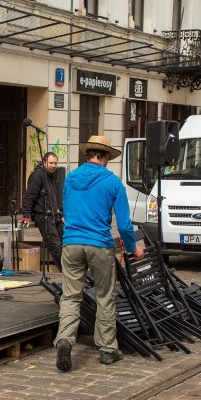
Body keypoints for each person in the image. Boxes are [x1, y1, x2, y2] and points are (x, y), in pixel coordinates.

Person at [54, 135, 144, 372]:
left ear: (87, 155)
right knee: (105, 296)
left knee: (71, 297)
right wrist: (133, 247)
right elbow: (124, 224)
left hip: (71, 243)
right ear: (105, 157)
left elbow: (65, 210)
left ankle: (64, 339)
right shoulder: (113, 182)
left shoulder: (70, 178)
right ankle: (106, 349)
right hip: (99, 244)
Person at [20, 152, 63, 271]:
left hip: (54, 214)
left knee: (68, 242)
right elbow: (29, 195)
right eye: (51, 163)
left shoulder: (52, 175)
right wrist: (26, 214)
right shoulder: (38, 175)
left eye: (55, 163)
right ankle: (67, 275)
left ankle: (74, 274)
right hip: (43, 215)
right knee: (56, 246)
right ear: (44, 162)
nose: (53, 166)